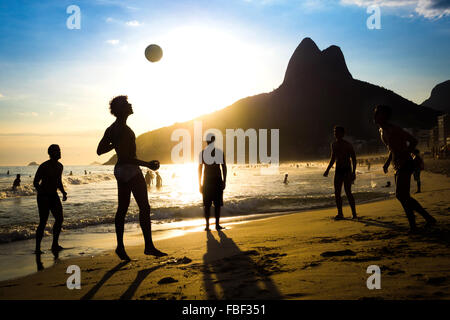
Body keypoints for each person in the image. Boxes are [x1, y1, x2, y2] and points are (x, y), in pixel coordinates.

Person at [97, 95, 166, 260]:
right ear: (121, 109)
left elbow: (100, 150)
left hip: (120, 170)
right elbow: (128, 157)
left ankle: (120, 247)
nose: (130, 104)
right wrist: (147, 164)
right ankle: (148, 246)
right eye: (127, 103)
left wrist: (115, 144)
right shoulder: (124, 130)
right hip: (130, 169)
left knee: (122, 209)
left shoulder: (112, 128)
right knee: (144, 207)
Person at [374, 105, 436, 233]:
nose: (376, 116)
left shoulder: (394, 129)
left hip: (406, 163)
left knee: (401, 195)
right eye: (375, 114)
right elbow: (391, 149)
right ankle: (426, 220)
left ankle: (417, 224)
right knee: (403, 196)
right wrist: (387, 162)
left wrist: (405, 152)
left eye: (379, 114)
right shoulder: (381, 131)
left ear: (385, 116)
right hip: (396, 165)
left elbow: (413, 141)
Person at [33, 144, 67, 254]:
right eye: (57, 151)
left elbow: (58, 182)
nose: (60, 152)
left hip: (54, 195)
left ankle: (54, 244)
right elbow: (35, 182)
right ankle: (37, 248)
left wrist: (63, 192)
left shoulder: (60, 166)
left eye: (59, 150)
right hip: (43, 197)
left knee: (60, 219)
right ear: (51, 153)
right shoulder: (44, 166)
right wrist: (41, 192)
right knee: (43, 222)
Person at [323, 126, 358, 220]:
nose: (335, 134)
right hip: (338, 171)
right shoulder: (333, 145)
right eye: (335, 132)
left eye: (337, 132)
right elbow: (333, 159)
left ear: (342, 134)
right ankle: (340, 213)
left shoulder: (348, 145)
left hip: (347, 170)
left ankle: (354, 214)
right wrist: (327, 170)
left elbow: (354, 159)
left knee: (348, 192)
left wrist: (353, 172)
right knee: (337, 193)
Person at [198, 134, 227, 231]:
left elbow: (200, 169)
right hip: (215, 180)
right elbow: (224, 167)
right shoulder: (218, 152)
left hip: (208, 181)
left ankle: (208, 226)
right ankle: (215, 225)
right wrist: (224, 181)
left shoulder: (203, 153)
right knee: (215, 205)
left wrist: (199, 184)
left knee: (208, 205)